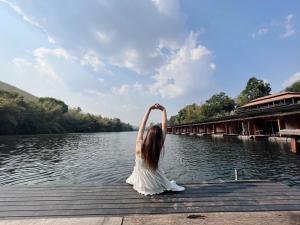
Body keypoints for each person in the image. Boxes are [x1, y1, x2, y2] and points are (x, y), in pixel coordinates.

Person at [126, 103, 185, 195]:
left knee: (137, 170)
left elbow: (143, 124)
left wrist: (149, 109)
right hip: (155, 184)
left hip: (142, 185)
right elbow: (165, 127)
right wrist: (164, 110)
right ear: (159, 138)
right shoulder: (158, 146)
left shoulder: (139, 145)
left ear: (148, 134)